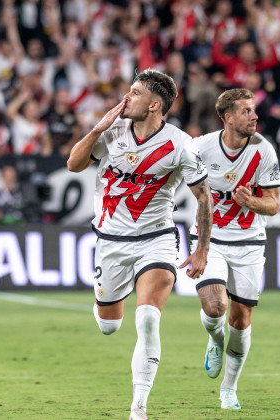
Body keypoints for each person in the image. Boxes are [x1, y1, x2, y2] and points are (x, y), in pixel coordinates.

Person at [66, 69, 212, 420]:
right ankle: (105, 299)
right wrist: (98, 128)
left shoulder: (181, 145)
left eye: (134, 92)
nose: (125, 97)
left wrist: (201, 248)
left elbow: (204, 199)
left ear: (154, 105)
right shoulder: (113, 130)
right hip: (111, 242)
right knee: (109, 325)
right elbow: (73, 164)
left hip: (156, 240)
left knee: (147, 319)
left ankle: (139, 408)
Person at [190, 88, 280, 410]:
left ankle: (229, 389)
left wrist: (251, 201)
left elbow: (273, 206)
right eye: (246, 111)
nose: (254, 116)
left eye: (254, 110)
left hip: (248, 242)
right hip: (210, 238)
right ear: (227, 118)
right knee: (215, 307)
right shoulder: (200, 148)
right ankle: (215, 340)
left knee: (241, 319)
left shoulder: (264, 151)